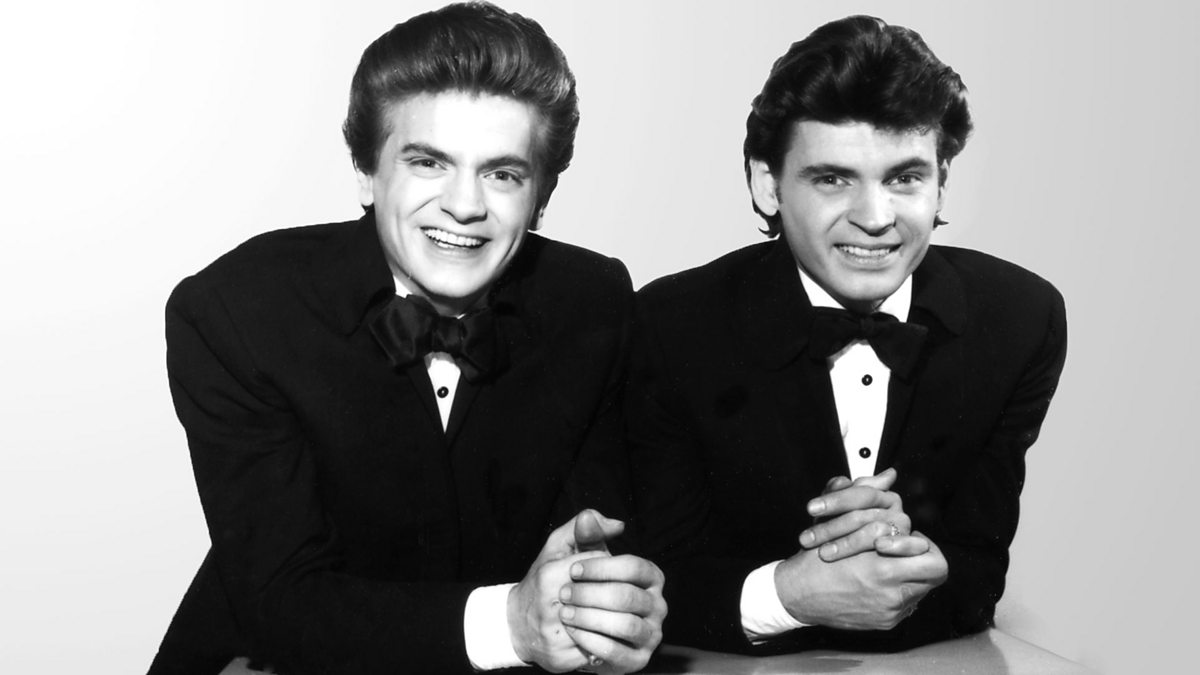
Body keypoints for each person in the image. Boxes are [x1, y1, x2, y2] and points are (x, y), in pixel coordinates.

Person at [149, 3, 665, 673]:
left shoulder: (593, 302)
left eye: (503, 174)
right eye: (428, 162)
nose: (465, 205)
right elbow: (283, 603)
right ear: (366, 172)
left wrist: (604, 609)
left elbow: (596, 543)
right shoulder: (237, 311)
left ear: (541, 195)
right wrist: (511, 622)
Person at [627, 15, 1066, 654]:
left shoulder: (1022, 318)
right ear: (766, 183)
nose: (875, 218)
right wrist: (789, 595)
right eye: (833, 179)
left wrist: (908, 558)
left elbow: (977, 575)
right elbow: (655, 581)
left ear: (942, 181)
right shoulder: (668, 324)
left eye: (905, 178)